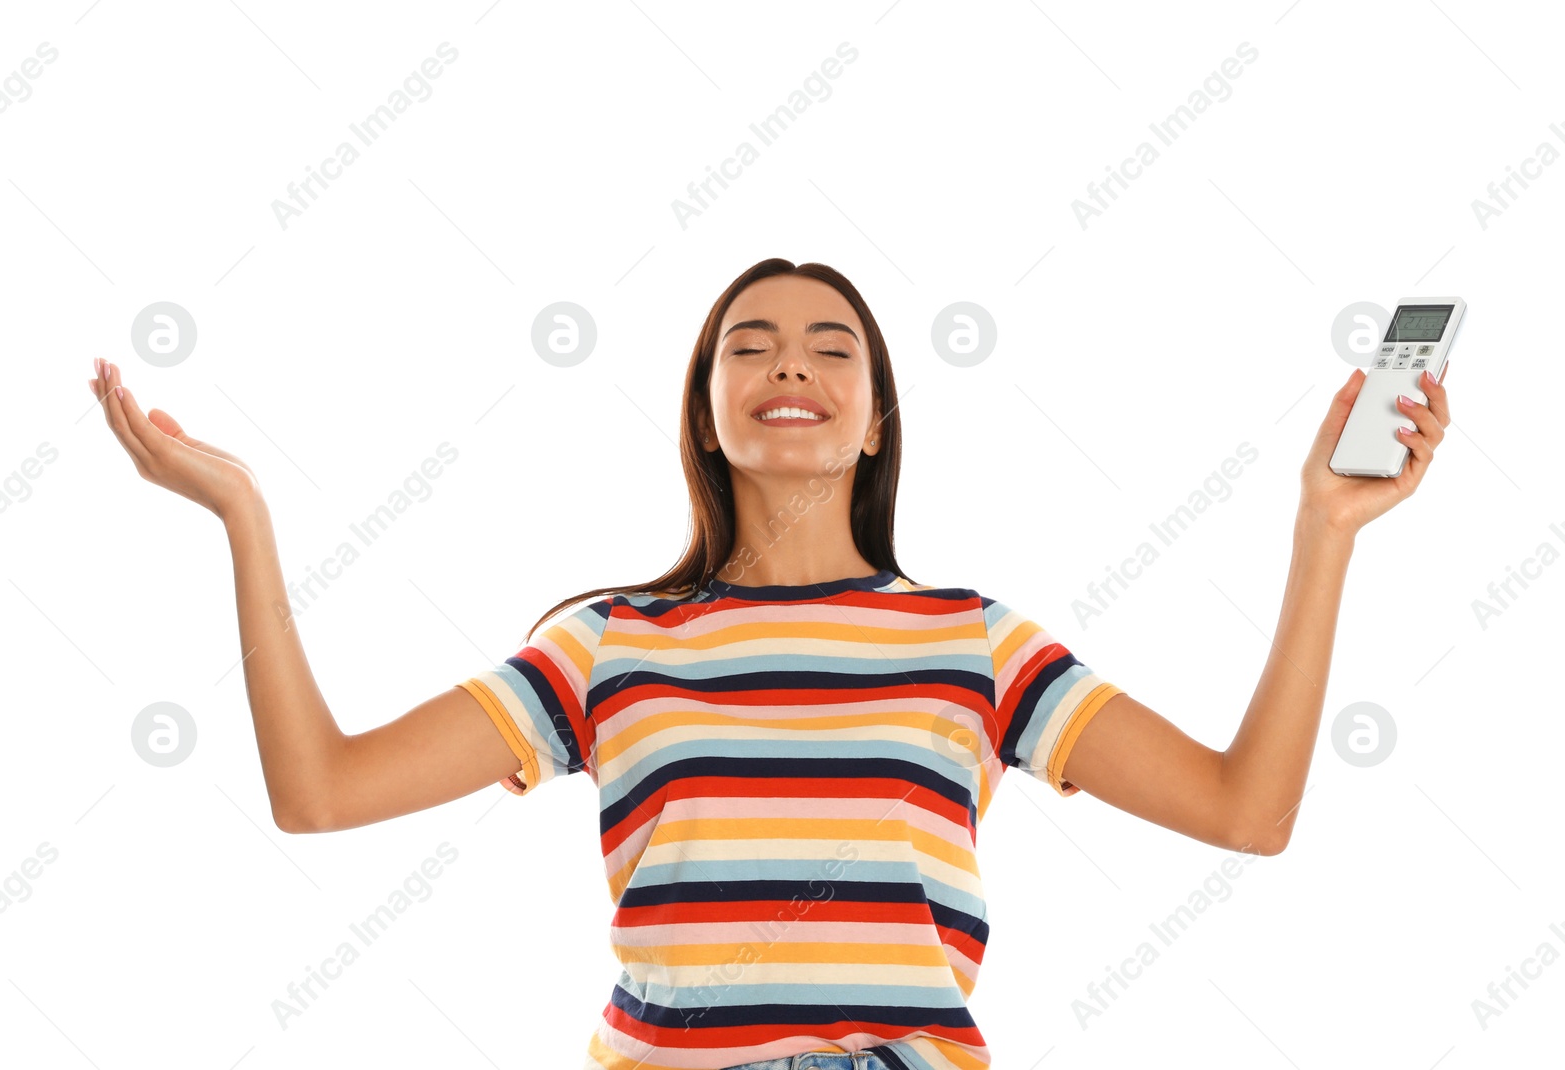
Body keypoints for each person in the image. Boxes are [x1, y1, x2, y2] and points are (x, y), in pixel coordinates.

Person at [85, 258, 1450, 1070]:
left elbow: (1243, 810)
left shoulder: (974, 640)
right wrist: (245, 519)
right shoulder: (608, 641)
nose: (788, 365)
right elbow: (320, 790)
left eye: (828, 347)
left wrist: (1323, 531)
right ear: (709, 410)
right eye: (751, 345)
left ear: (871, 419)